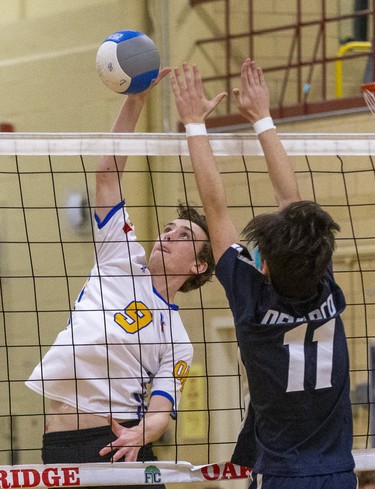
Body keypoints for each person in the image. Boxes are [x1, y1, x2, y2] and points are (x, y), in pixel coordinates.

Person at [170, 59, 357, 488]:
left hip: (282, 476)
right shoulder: (323, 281)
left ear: (264, 267)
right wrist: (263, 119)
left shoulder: (253, 304)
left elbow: (214, 210)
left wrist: (195, 125)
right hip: (338, 475)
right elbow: (291, 200)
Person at [26, 68, 215, 489]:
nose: (168, 235)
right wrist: (136, 99)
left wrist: (145, 431)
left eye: (184, 236)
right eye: (168, 228)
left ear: (199, 266)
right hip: (57, 447)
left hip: (115, 444)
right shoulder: (120, 258)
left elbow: (162, 410)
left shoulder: (178, 338)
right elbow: (107, 173)